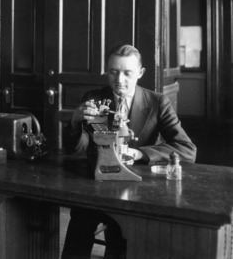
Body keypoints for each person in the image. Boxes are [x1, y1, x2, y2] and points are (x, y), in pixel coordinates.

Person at [61, 44, 196, 259]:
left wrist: (140, 154)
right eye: (113, 71)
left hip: (134, 189)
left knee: (120, 239)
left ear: (140, 73)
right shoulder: (94, 98)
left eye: (127, 73)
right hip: (94, 186)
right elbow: (75, 148)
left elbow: (187, 150)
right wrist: (76, 121)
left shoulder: (158, 102)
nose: (119, 79)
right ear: (107, 70)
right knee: (77, 236)